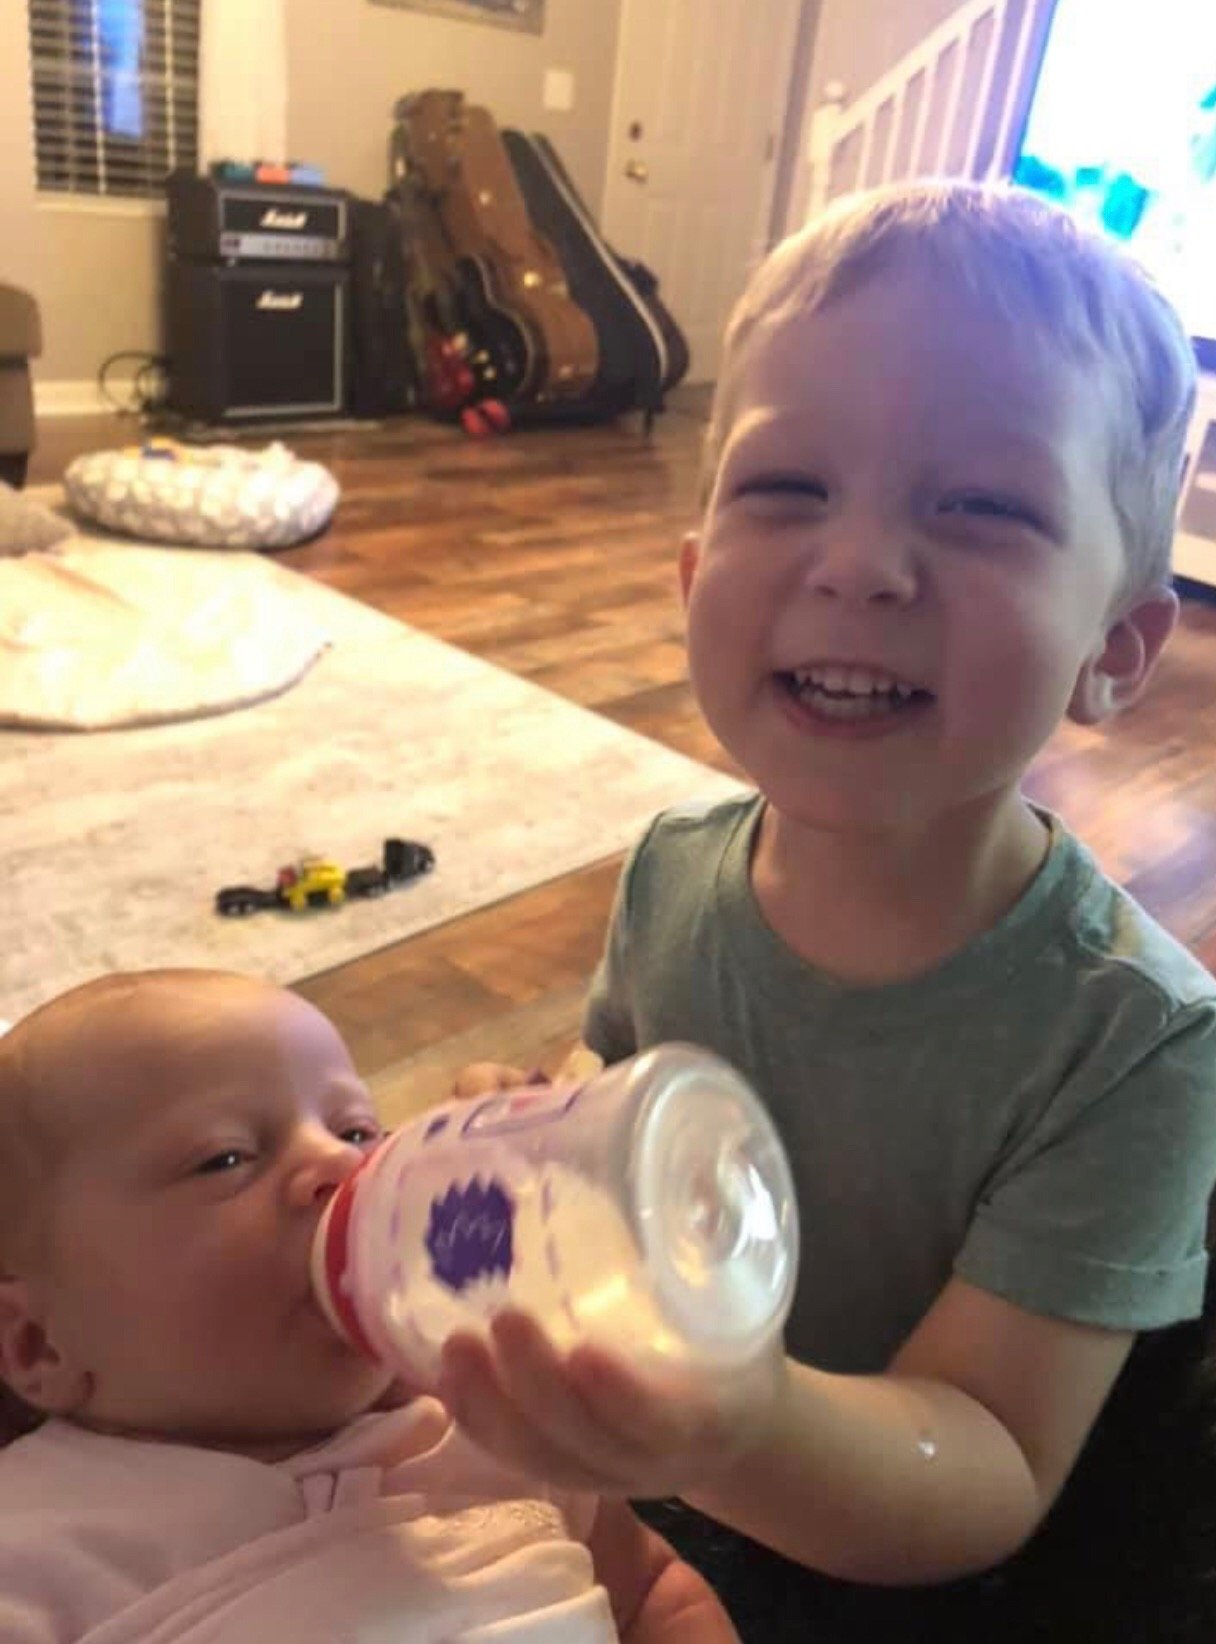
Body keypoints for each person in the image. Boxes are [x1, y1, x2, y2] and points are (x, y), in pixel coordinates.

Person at [440, 181, 1216, 1632]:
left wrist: (724, 1420)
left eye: (979, 507)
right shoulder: (668, 872)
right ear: (691, 578)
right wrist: (547, 1136)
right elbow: (621, 1088)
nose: (856, 565)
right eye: (786, 488)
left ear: (1113, 649)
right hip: (661, 1476)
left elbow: (989, 1460)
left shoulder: (1137, 1043)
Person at [0, 968, 739, 1643]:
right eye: (225, 1158)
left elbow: (650, 1593)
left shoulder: (490, 1418)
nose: (341, 1163)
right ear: (40, 1344)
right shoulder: (36, 1542)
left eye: (355, 1130)